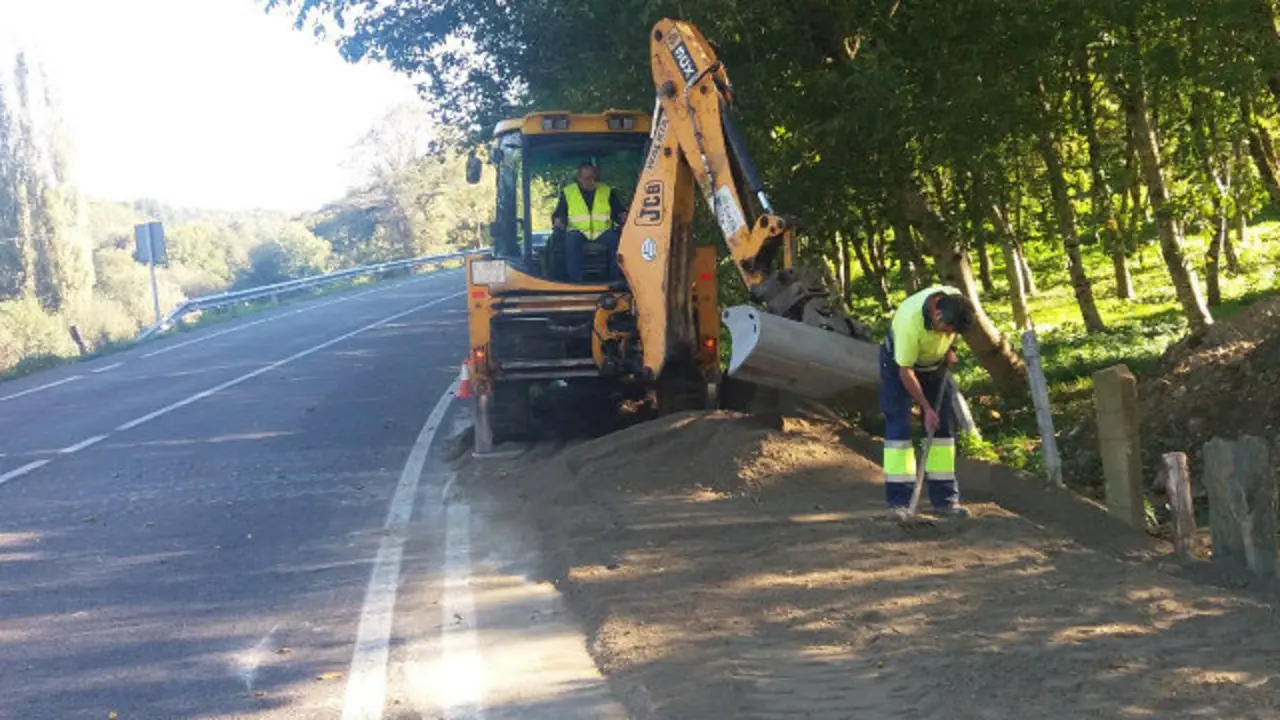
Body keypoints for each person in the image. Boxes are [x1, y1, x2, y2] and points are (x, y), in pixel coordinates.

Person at [879, 285, 974, 520]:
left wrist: (951, 348)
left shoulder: (954, 300)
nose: (946, 334)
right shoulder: (910, 324)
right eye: (946, 330)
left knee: (942, 430)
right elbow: (906, 373)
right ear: (937, 315)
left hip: (934, 365)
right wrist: (925, 408)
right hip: (899, 366)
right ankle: (899, 503)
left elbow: (954, 331)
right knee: (899, 426)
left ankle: (945, 501)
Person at [551, 162, 627, 281]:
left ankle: (615, 279)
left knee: (616, 241)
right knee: (571, 241)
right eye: (587, 178)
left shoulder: (607, 191)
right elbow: (560, 214)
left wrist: (622, 216)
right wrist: (558, 221)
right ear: (579, 179)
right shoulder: (568, 193)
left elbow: (618, 211)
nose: (592, 181)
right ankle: (576, 280)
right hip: (578, 231)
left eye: (594, 178)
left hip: (602, 232)